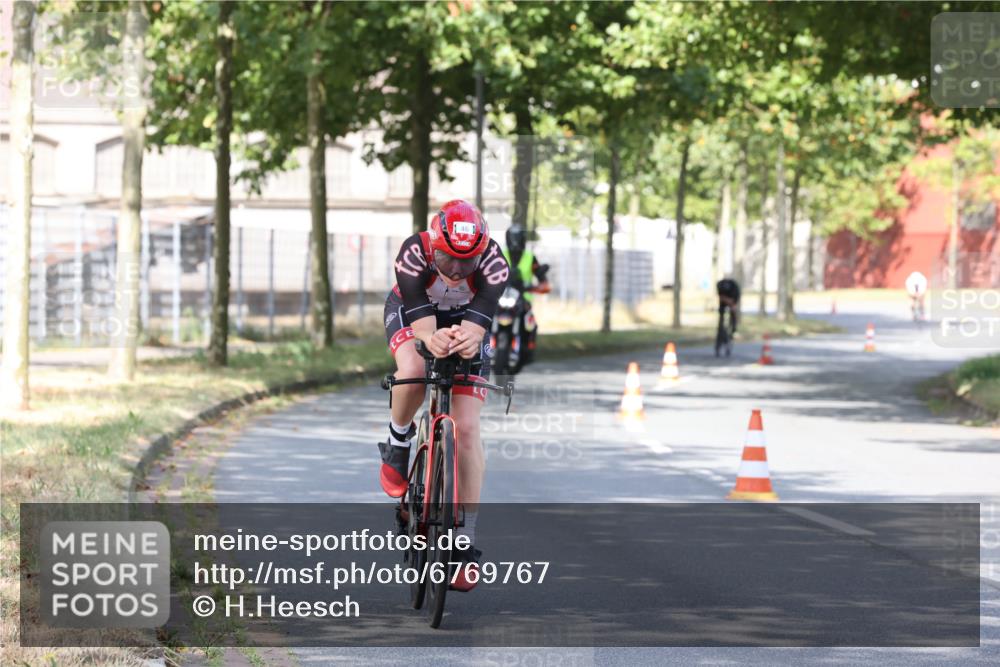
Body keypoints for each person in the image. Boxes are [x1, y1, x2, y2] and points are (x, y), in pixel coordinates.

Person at [379, 199, 510, 591]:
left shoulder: (494, 263)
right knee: (416, 371)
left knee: (467, 430)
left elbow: (479, 321)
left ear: (481, 252)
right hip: (412, 313)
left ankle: (463, 542)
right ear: (434, 244)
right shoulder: (413, 251)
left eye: (465, 263)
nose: (455, 270)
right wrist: (430, 338)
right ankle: (398, 439)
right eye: (448, 258)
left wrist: (469, 339)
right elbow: (422, 322)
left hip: (467, 322)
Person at [502, 224, 551, 369]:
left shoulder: (530, 257)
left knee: (531, 325)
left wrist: (541, 281)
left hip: (524, 298)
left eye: (518, 238)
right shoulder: (499, 254)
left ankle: (529, 350)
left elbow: (540, 275)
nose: (515, 242)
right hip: (502, 295)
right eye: (513, 238)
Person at [716, 277, 741, 356]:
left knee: (733, 318)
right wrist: (725, 300)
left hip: (733, 301)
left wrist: (733, 304)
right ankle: (719, 341)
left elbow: (735, 300)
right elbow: (721, 298)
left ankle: (733, 331)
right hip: (723, 304)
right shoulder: (720, 285)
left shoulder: (734, 288)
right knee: (721, 323)